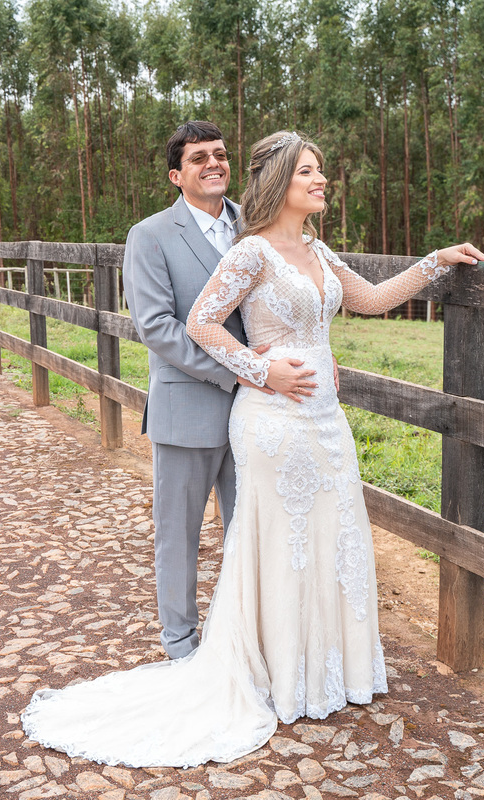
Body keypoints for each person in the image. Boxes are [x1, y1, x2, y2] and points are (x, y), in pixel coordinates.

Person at [21, 130, 484, 767]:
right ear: (280, 183)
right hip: (265, 415)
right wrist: (254, 369)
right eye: (308, 171)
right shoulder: (238, 250)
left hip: (322, 420)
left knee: (322, 536)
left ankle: (314, 665)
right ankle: (197, 650)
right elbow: (188, 323)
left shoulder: (313, 248)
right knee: (228, 534)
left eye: (320, 170)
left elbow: (373, 299)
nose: (321, 180)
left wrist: (438, 260)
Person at [119, 120, 309, 660]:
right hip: (192, 405)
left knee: (250, 529)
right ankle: (181, 642)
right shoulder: (150, 236)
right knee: (177, 534)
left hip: (260, 411)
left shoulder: (258, 227)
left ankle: (245, 639)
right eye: (199, 158)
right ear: (177, 175)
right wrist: (243, 370)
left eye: (220, 154)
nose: (213, 164)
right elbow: (156, 327)